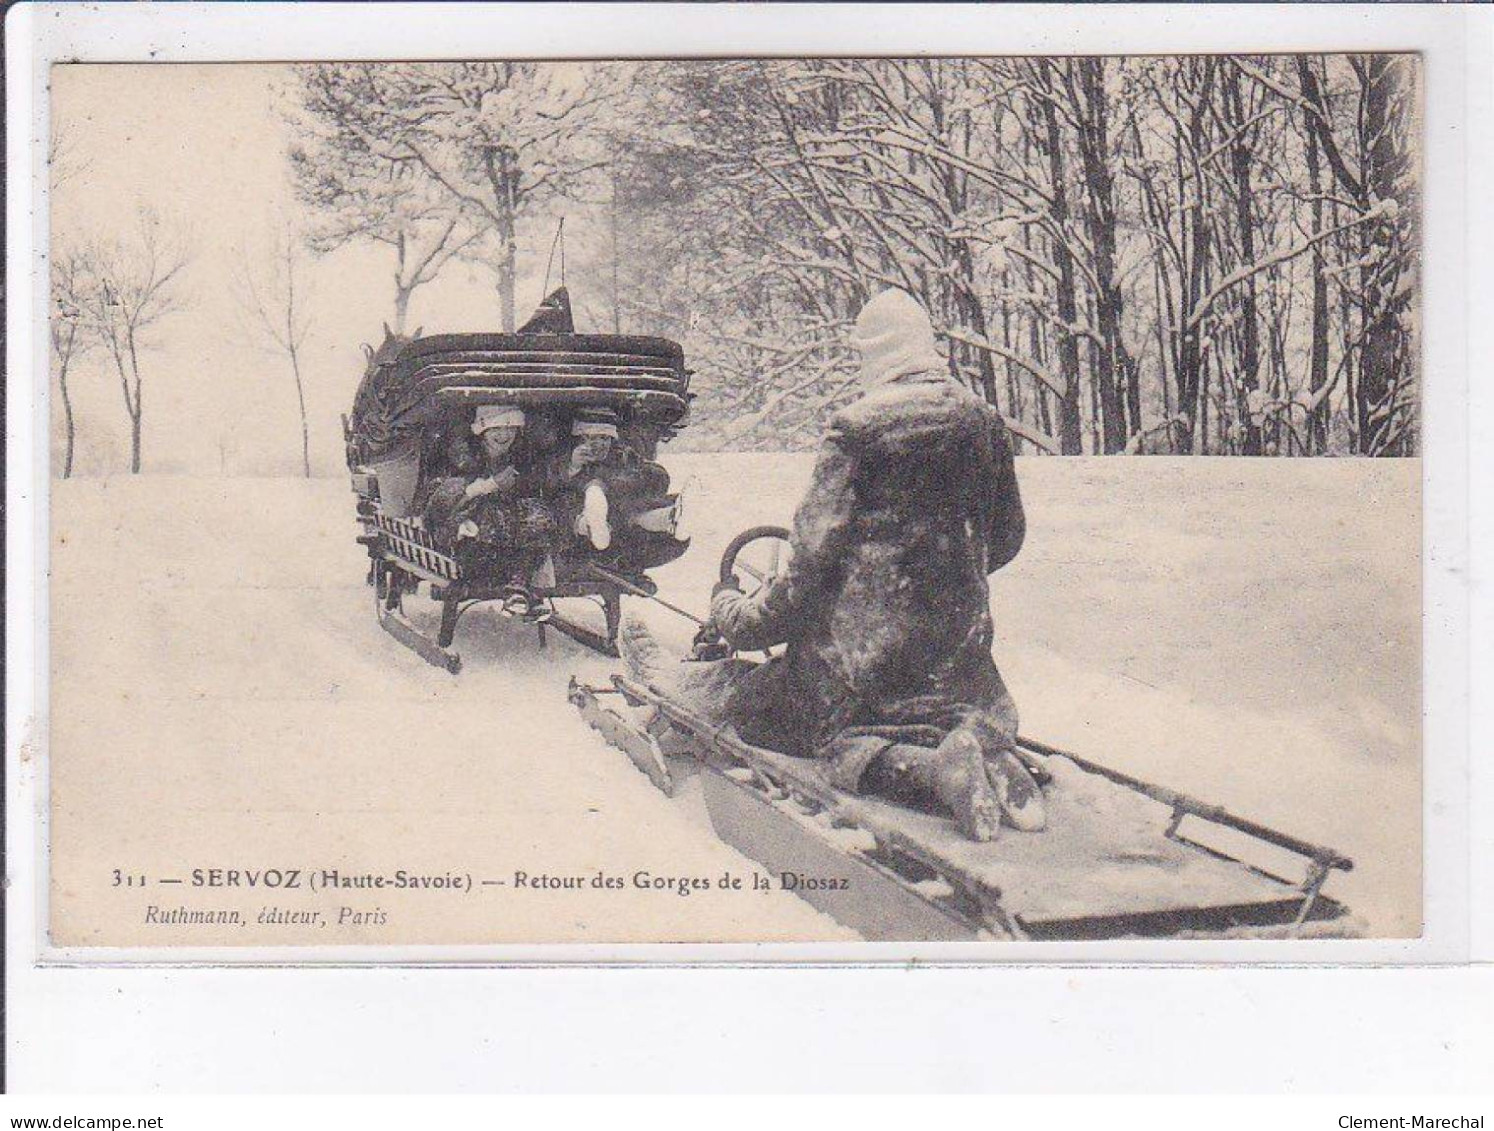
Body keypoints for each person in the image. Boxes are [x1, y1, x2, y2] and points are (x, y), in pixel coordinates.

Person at [621, 290, 1039, 842]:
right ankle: (982, 748)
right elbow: (1006, 538)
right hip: (962, 674)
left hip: (853, 681)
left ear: (872, 354)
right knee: (944, 713)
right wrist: (939, 579)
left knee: (749, 702)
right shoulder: (981, 420)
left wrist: (735, 616)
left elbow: (806, 572)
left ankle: (935, 772)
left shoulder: (857, 428)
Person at [421, 404, 558, 619]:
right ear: (482, 430)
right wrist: (487, 486)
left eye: (510, 429)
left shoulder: (520, 458)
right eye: (496, 429)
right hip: (469, 548)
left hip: (512, 546)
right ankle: (517, 586)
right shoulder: (462, 457)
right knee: (490, 511)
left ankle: (519, 587)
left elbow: (535, 491)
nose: (504, 435)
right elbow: (438, 504)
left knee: (537, 512)